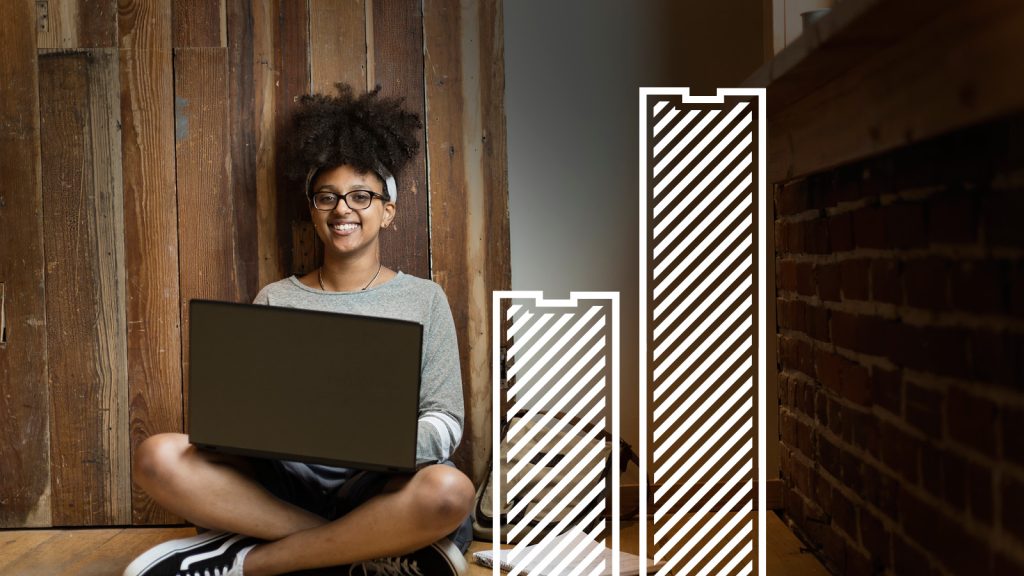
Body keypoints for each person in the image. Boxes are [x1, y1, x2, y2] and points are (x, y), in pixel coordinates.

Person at [123, 86, 475, 576]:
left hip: (380, 486)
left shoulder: (424, 298)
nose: (342, 209)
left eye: (361, 196)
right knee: (157, 455)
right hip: (288, 486)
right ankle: (364, 550)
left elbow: (445, 423)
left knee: (449, 491)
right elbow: (248, 411)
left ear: (387, 211)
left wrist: (368, 441)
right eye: (327, 197)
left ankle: (251, 563)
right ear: (313, 209)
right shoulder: (276, 297)